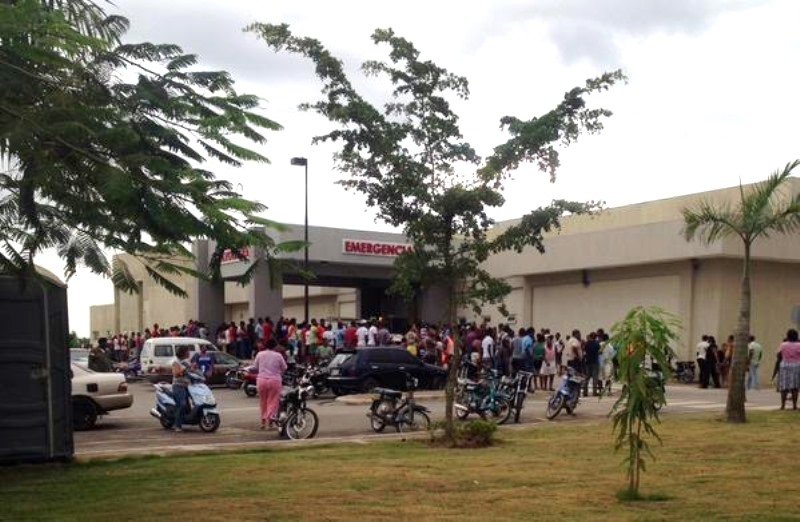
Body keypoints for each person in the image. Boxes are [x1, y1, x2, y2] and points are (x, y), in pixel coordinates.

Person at [253, 339, 287, 429]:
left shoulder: (260, 354)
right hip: (274, 380)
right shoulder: (278, 355)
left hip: (261, 380)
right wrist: (279, 372)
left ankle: (263, 422)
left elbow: (255, 366)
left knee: (263, 401)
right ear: (275, 346)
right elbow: (284, 367)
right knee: (273, 401)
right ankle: (270, 421)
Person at [777, 329, 800, 410]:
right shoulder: (799, 345)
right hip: (796, 366)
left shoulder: (783, 345)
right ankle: (794, 406)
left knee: (784, 386)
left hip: (784, 366)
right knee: (795, 387)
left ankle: (782, 405)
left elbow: (779, 355)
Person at [171, 345, 192, 432]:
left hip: (186, 386)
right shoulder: (176, 362)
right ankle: (177, 425)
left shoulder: (186, 361)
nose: (189, 353)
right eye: (188, 351)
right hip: (178, 386)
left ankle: (184, 420)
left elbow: (191, 371)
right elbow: (176, 373)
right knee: (182, 405)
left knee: (188, 406)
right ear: (183, 352)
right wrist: (183, 370)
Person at [583, 332, 601, 397]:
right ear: (595, 337)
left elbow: (584, 351)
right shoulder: (597, 343)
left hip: (588, 362)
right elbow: (600, 352)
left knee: (587, 377)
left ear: (590, 336)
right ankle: (594, 392)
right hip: (595, 362)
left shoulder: (587, 343)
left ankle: (585, 392)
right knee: (595, 378)